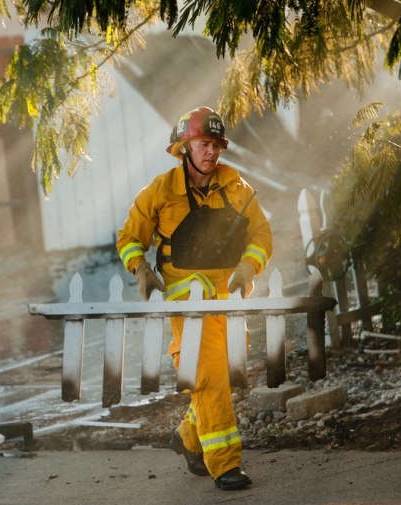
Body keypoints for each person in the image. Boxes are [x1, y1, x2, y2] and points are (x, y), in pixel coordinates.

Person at [116, 106, 273, 491]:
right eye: (204, 144)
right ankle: (224, 464)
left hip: (228, 302)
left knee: (226, 374)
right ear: (185, 146)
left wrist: (249, 268)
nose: (212, 152)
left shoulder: (237, 187)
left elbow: (263, 236)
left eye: (217, 144)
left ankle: (188, 436)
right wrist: (140, 268)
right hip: (186, 305)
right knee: (208, 374)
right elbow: (129, 238)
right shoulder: (161, 190)